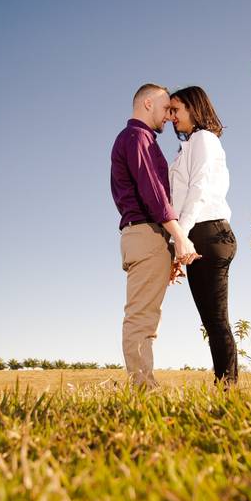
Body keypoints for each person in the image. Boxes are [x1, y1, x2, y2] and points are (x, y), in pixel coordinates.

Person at [110, 83, 199, 388]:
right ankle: (143, 389)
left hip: (149, 236)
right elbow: (153, 191)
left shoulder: (140, 138)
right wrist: (180, 237)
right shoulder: (138, 137)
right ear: (148, 104)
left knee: (147, 317)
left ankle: (144, 384)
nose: (169, 117)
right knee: (142, 317)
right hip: (145, 233)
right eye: (165, 109)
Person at [167, 86, 238, 384]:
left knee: (217, 321)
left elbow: (198, 189)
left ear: (194, 109)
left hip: (209, 232)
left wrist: (179, 237)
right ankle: (225, 386)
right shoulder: (190, 145)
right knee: (212, 321)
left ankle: (228, 390)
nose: (171, 117)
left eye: (176, 110)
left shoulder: (204, 139)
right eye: (169, 111)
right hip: (200, 233)